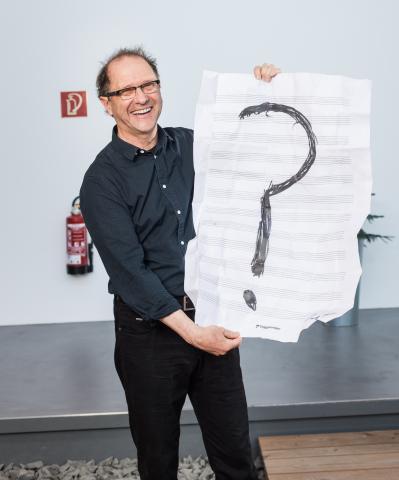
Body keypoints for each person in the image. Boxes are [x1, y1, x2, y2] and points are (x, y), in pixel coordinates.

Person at [80, 47, 280, 480]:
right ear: (106, 103)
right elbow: (130, 274)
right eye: (127, 89)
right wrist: (194, 334)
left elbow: (252, 152)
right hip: (149, 334)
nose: (141, 97)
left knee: (235, 458)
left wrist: (264, 90)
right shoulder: (101, 181)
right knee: (158, 460)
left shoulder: (191, 145)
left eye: (148, 84)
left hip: (210, 313)